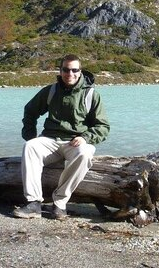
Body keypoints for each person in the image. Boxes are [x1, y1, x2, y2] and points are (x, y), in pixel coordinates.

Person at [13, 54, 110, 220]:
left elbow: (103, 127)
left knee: (85, 153)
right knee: (30, 147)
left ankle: (59, 203)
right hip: (50, 140)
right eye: (66, 69)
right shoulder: (50, 91)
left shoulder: (91, 95)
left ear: (80, 72)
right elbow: (30, 111)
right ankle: (33, 203)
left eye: (74, 70)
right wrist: (30, 136)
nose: (70, 73)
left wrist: (86, 137)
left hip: (75, 142)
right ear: (60, 70)